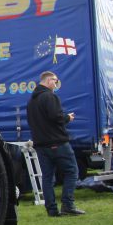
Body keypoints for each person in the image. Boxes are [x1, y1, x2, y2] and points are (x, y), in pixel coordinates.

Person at [27, 70, 84, 217]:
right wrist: (67, 118)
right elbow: (55, 117)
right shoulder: (50, 97)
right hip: (57, 142)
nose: (57, 84)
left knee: (47, 177)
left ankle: (51, 209)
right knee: (72, 171)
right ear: (48, 81)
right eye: (55, 81)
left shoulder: (31, 101)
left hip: (41, 144)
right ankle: (68, 204)